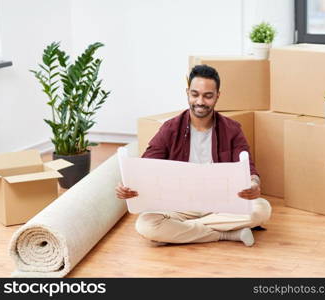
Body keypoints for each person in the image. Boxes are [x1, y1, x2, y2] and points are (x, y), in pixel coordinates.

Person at [116, 64, 271, 247]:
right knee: (146, 225)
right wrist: (129, 186)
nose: (200, 102)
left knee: (262, 209)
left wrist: (254, 184)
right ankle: (226, 235)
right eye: (195, 94)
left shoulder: (232, 129)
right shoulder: (170, 128)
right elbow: (146, 164)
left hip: (221, 203)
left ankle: (182, 230)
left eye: (208, 96)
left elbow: (249, 168)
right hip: (179, 206)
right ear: (188, 92)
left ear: (217, 96)